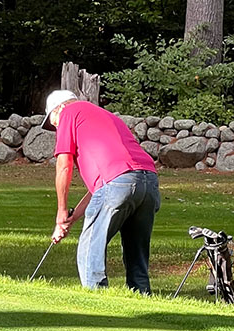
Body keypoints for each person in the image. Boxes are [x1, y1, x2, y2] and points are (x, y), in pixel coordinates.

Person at [42, 90, 161, 294]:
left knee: (89, 248)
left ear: (59, 108)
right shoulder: (106, 116)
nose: (55, 128)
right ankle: (143, 297)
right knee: (136, 251)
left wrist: (61, 211)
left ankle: (97, 300)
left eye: (52, 122)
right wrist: (71, 219)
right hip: (148, 181)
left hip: (119, 182)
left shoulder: (68, 113)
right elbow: (102, 188)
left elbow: (64, 166)